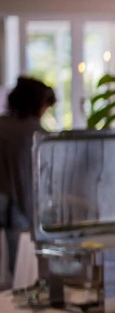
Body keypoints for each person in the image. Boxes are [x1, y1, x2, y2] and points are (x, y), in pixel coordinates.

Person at [0, 77, 56, 272]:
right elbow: (27, 180)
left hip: (12, 205)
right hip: (18, 208)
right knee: (17, 268)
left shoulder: (3, 125)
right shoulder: (35, 134)